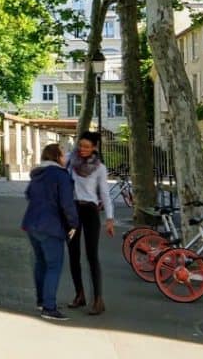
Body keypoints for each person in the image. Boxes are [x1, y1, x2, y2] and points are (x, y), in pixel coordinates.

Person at [21, 143, 78, 322]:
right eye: (62, 154)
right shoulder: (61, 175)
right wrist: (73, 224)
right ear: (57, 156)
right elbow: (67, 203)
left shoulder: (37, 174)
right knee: (54, 266)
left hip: (32, 224)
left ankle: (42, 300)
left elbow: (28, 194)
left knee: (41, 263)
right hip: (51, 226)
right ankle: (49, 307)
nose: (65, 157)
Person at [65, 132, 115, 316]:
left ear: (94, 147)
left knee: (92, 255)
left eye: (87, 147)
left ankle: (98, 299)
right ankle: (79, 295)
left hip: (90, 211)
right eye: (81, 146)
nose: (83, 150)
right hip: (72, 211)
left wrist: (110, 219)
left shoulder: (100, 168)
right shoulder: (71, 160)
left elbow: (105, 194)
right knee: (73, 253)